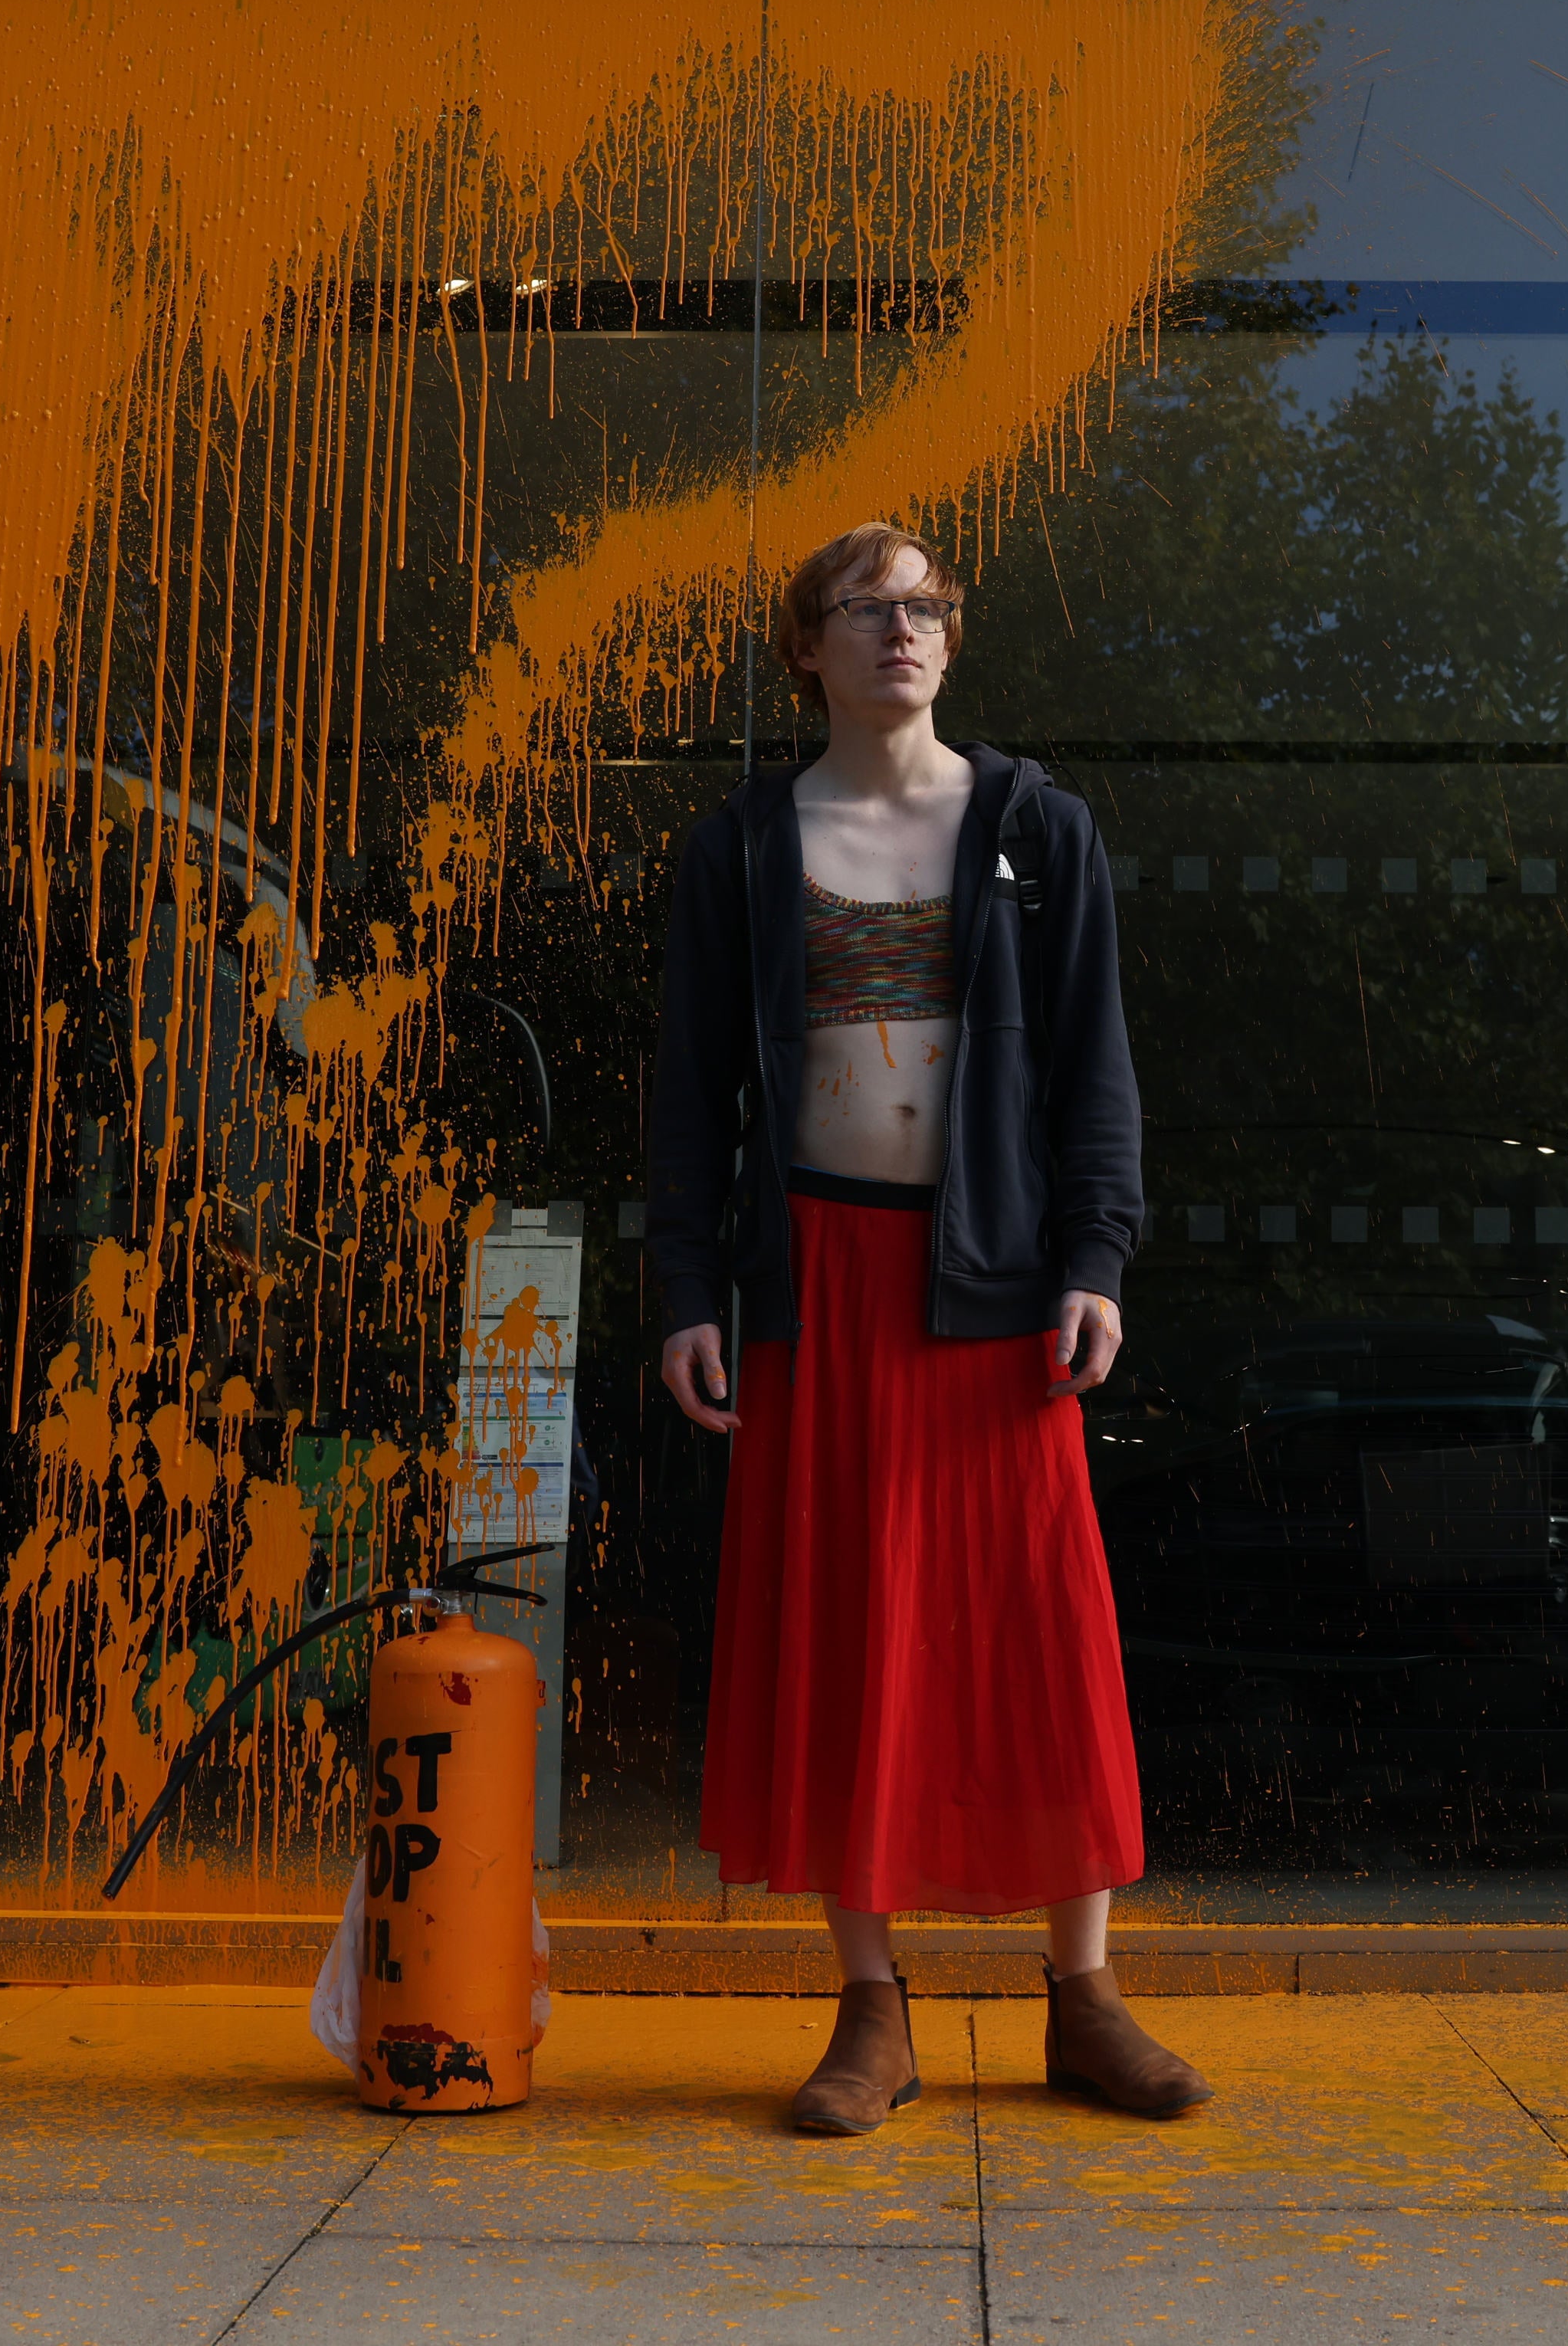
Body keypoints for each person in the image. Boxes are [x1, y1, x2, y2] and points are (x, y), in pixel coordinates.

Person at [645, 520, 1206, 2137]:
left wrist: (1095, 1252)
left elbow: (1094, 1068)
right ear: (804, 649)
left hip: (994, 1282)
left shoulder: (1038, 827)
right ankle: (871, 2009)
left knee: (1040, 1626)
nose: (902, 628)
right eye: (865, 607)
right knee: (848, 1631)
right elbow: (691, 1097)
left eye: (925, 606)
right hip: (815, 1284)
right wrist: (689, 1289)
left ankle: (1084, 1996)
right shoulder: (744, 847)